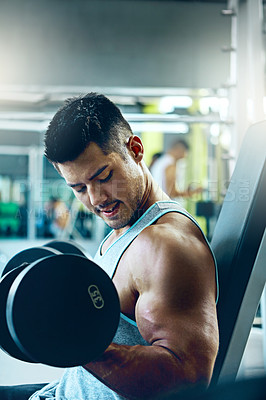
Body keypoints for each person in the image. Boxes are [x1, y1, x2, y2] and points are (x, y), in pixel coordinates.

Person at [0, 93, 219, 400]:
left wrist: (67, 338)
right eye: (78, 188)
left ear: (135, 150)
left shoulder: (165, 247)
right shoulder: (124, 224)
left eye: (104, 176)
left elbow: (188, 379)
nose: (96, 199)